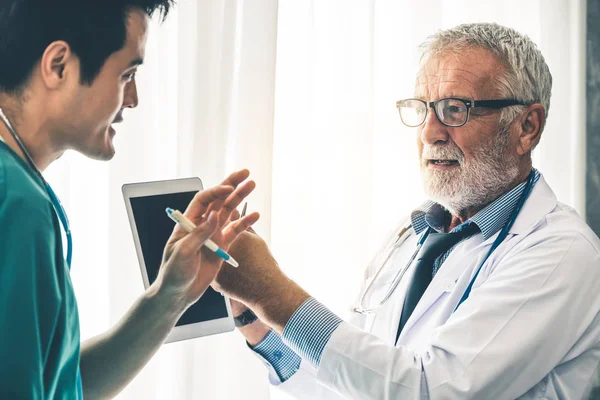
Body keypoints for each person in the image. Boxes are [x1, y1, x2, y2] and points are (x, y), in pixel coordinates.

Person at [213, 22, 600, 399]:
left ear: (527, 127)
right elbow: (358, 383)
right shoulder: (414, 234)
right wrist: (259, 326)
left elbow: (429, 390)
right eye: (422, 108)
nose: (429, 132)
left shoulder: (562, 252)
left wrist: (272, 293)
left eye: (455, 109)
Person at [0, 1, 259, 398]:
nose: (133, 99)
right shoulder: (19, 205)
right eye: (127, 74)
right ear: (58, 66)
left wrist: (169, 296)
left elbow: (59, 384)